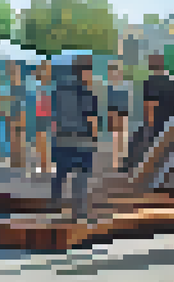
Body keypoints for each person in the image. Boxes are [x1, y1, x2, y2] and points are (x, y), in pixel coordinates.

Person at [51, 57, 100, 221]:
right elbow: (91, 120)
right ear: (85, 72)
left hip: (62, 138)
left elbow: (54, 116)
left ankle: (55, 205)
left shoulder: (59, 91)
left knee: (61, 173)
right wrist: (95, 139)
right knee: (81, 177)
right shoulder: (87, 93)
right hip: (82, 139)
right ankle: (79, 213)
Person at [138, 55, 174, 170]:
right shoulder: (170, 82)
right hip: (170, 119)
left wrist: (149, 121)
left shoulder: (150, 82)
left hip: (157, 120)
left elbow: (149, 104)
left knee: (154, 147)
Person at [105, 62, 131, 172]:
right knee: (117, 138)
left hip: (119, 113)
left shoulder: (116, 86)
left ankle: (121, 161)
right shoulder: (112, 86)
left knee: (121, 138)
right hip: (116, 113)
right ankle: (117, 161)